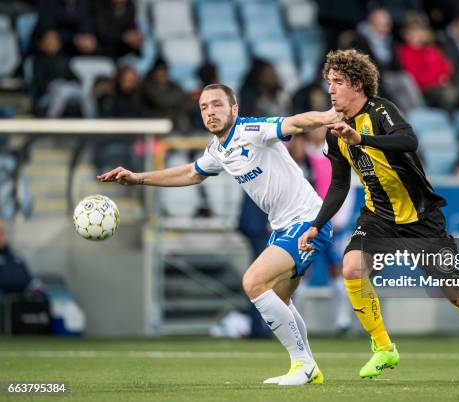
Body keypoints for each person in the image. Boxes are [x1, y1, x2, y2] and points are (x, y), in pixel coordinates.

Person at [298, 49, 459, 385]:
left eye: (337, 82)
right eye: (329, 83)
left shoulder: (381, 110)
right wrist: (316, 224)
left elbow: (408, 141)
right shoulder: (333, 131)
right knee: (352, 267)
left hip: (422, 218)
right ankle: (383, 347)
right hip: (378, 216)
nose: (331, 90)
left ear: (357, 84)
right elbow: (338, 185)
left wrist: (362, 138)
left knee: (458, 294)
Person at [98, 83, 343, 386]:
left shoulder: (253, 129)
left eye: (217, 104)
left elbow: (294, 122)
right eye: (204, 107)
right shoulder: (218, 150)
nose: (210, 112)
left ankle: (304, 366)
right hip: (283, 227)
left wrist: (329, 115)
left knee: (253, 281)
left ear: (234, 109)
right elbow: (191, 173)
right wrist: (138, 178)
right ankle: (307, 367)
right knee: (279, 299)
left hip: (308, 220)